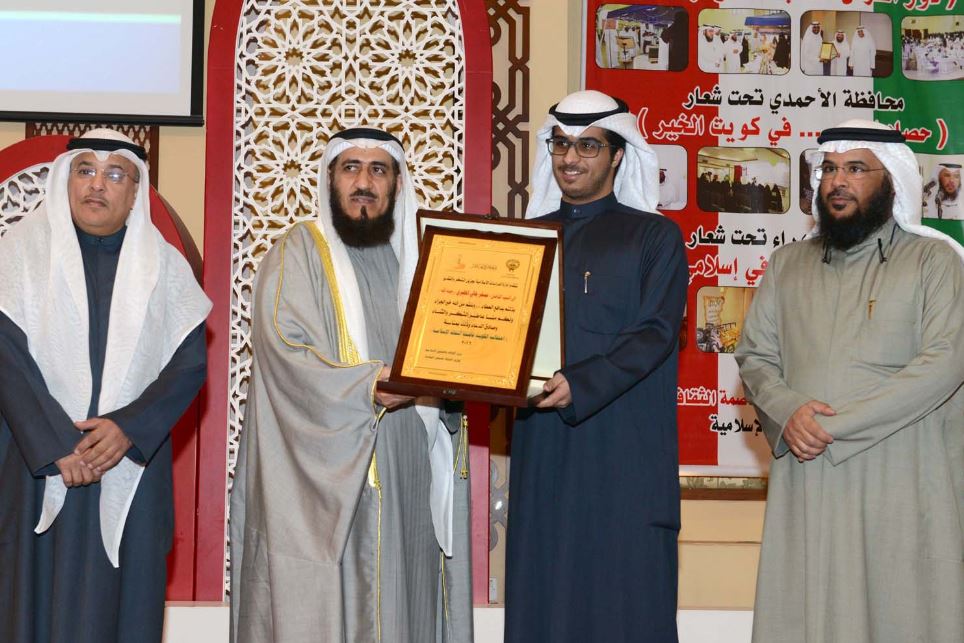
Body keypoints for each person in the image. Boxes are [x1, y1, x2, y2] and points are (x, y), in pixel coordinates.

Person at [230, 126, 472, 643]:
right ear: (330, 179)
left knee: (408, 604)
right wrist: (368, 387)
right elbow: (285, 351)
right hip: (333, 477)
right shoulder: (297, 252)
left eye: (378, 170)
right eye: (351, 169)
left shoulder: (422, 262)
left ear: (397, 184)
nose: (364, 182)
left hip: (410, 467)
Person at [735, 119, 964, 643]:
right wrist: (790, 412)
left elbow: (946, 360)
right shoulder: (787, 264)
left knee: (901, 610)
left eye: (856, 169)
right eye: (830, 169)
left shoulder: (934, 262)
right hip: (809, 477)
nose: (837, 181)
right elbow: (755, 357)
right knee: (808, 609)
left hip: (902, 475)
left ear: (892, 182)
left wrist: (832, 427)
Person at [0, 129, 210, 642]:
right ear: (66, 180)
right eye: (86, 170)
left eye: (115, 174)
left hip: (129, 469)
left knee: (122, 611)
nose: (97, 184)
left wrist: (126, 430)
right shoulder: (20, 254)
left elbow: (187, 367)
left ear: (135, 192)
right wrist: (56, 444)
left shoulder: (164, 267)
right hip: (35, 468)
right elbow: (6, 356)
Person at [505, 90, 688, 642]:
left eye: (588, 146)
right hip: (545, 456)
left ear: (618, 154)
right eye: (561, 144)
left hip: (623, 462)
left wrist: (579, 383)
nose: (570, 158)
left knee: (622, 606)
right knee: (545, 599)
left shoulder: (655, 237)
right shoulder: (526, 241)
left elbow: (656, 333)